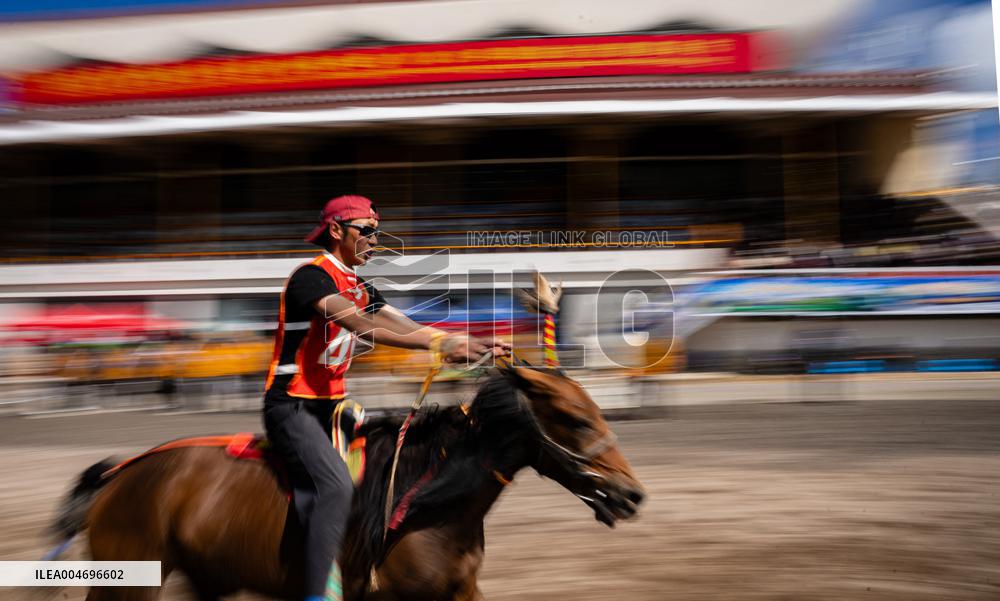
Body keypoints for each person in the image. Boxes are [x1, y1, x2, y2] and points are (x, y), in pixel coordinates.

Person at [262, 195, 509, 601]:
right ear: (337, 231)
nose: (376, 240)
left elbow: (407, 324)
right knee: (337, 488)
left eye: (378, 232)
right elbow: (359, 324)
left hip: (335, 407)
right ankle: (316, 593)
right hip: (291, 407)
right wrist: (440, 347)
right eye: (368, 231)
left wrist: (466, 342)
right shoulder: (311, 277)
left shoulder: (359, 285)